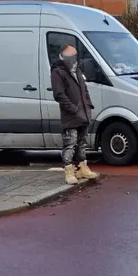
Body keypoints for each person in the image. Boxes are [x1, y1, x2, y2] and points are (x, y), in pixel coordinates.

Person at [51, 44, 100, 185]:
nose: (75, 57)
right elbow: (59, 94)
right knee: (70, 143)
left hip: (83, 113)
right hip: (71, 115)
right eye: (72, 54)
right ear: (64, 54)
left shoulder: (76, 69)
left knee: (81, 143)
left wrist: (88, 105)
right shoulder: (58, 72)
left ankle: (82, 168)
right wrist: (73, 109)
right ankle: (69, 170)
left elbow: (84, 89)